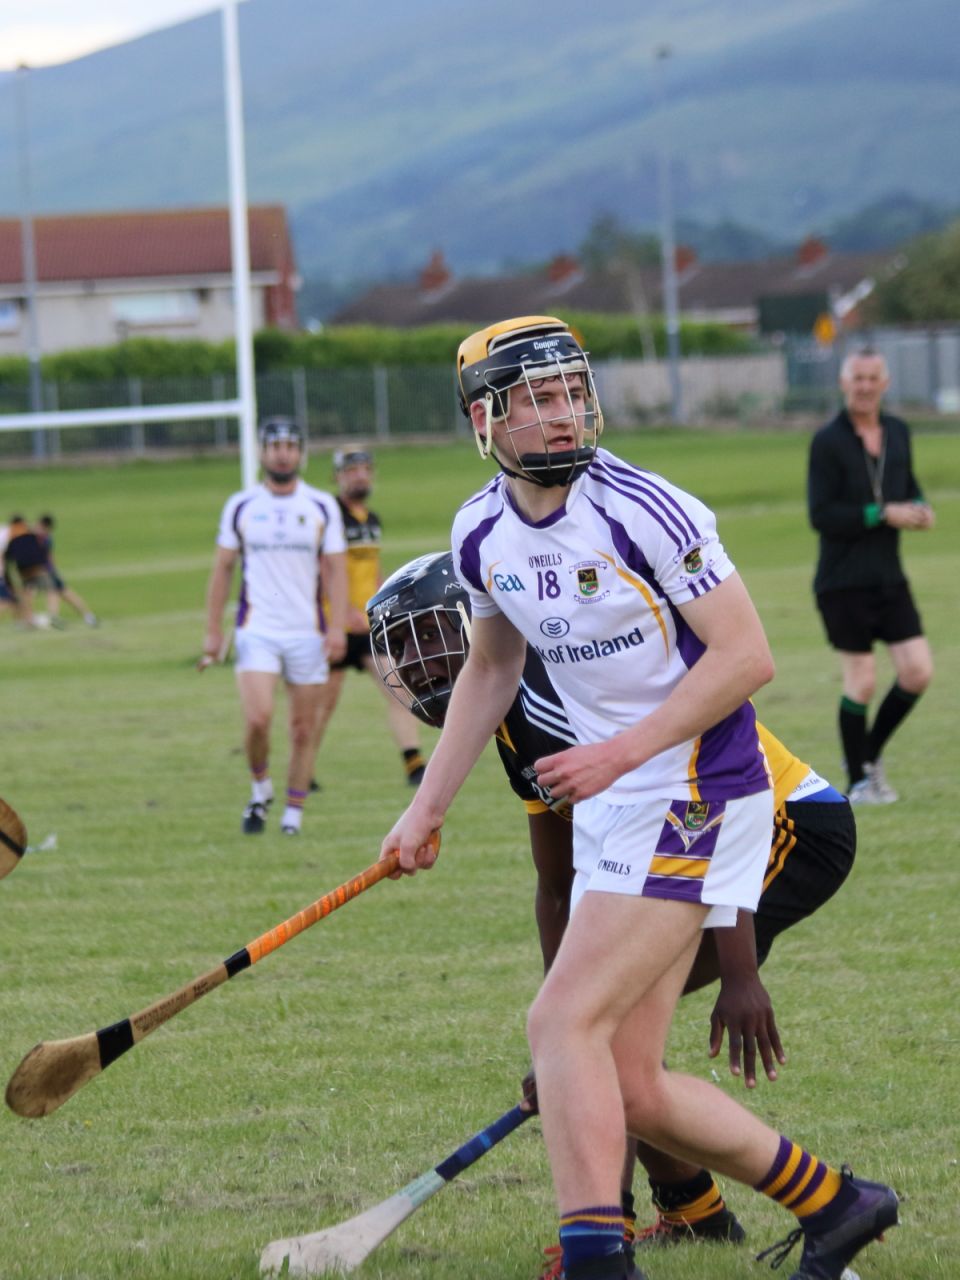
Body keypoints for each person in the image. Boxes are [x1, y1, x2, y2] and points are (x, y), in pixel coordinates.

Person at [377, 317, 897, 1280]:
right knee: (628, 1077)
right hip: (629, 799)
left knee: (559, 1023)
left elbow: (750, 658)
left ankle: (595, 1260)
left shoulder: (648, 510)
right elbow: (492, 667)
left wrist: (618, 752)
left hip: (701, 788)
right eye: (534, 398)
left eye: (571, 389)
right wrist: (428, 807)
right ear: (484, 420)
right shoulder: (478, 530)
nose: (562, 410)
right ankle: (840, 1205)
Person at [368, 551, 858, 1272]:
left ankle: (617, 1231)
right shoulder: (504, 718)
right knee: (591, 1036)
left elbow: (712, 808)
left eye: (429, 635)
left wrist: (739, 971)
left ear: (478, 622)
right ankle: (694, 1212)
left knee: (599, 1037)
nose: (417, 662)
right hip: (689, 838)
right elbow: (558, 883)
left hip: (783, 825)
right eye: (401, 649)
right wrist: (555, 1018)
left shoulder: (552, 700)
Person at [201, 417, 348, 836]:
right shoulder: (242, 505)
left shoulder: (320, 506)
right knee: (258, 719)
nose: (283, 453)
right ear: (262, 452)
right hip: (257, 629)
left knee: (303, 730)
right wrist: (212, 629)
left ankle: (292, 817)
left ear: (301, 453)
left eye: (290, 446)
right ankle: (260, 787)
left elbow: (336, 572)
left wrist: (336, 628)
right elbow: (223, 569)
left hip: (307, 633)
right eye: (275, 445)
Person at [808, 349, 934, 805]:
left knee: (917, 672)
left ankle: (867, 755)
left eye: (872, 378)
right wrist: (881, 512)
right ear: (844, 384)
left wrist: (919, 508)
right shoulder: (828, 441)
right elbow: (821, 515)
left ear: (886, 382)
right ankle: (860, 783)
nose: (864, 386)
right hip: (842, 581)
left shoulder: (898, 432)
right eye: (856, 378)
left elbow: (908, 484)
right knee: (861, 679)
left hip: (889, 578)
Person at [311, 446, 426, 789]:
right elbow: (322, 570)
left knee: (399, 685)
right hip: (335, 626)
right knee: (324, 704)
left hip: (368, 625)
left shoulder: (371, 520)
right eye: (352, 470)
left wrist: (383, 608)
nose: (360, 475)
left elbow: (373, 571)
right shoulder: (331, 516)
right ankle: (304, 770)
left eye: (365, 469)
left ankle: (414, 762)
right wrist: (343, 610)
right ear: (338, 477)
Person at [34, 515, 99, 627]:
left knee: (57, 592)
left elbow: (47, 557)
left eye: (38, 524)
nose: (35, 526)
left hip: (46, 571)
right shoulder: (44, 537)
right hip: (48, 571)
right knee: (63, 593)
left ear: (43, 525)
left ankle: (54, 617)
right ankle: (87, 616)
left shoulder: (42, 538)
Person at [2, 514, 57, 628]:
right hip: (32, 570)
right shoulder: (12, 535)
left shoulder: (11, 534)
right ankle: (41, 618)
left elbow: (9, 557)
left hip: (22, 570)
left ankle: (26, 620)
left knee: (21, 595)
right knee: (9, 601)